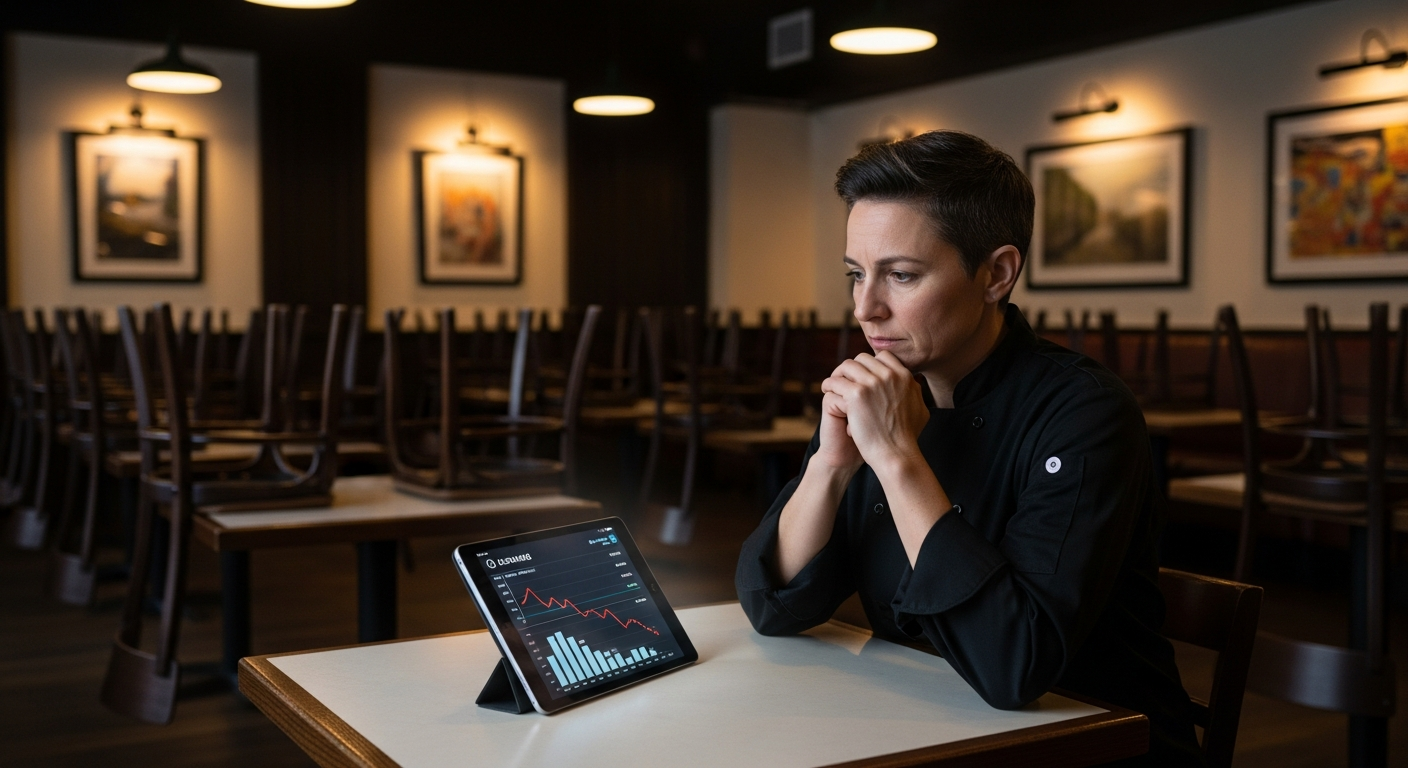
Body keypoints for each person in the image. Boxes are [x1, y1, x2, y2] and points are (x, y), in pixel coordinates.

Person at [735, 130, 1204, 767]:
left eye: (901, 275)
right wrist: (831, 466)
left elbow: (1016, 665)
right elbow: (775, 605)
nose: (866, 308)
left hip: (1088, 741)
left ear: (997, 274)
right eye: (855, 275)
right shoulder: (880, 396)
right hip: (921, 723)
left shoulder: (1085, 412)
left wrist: (899, 458)